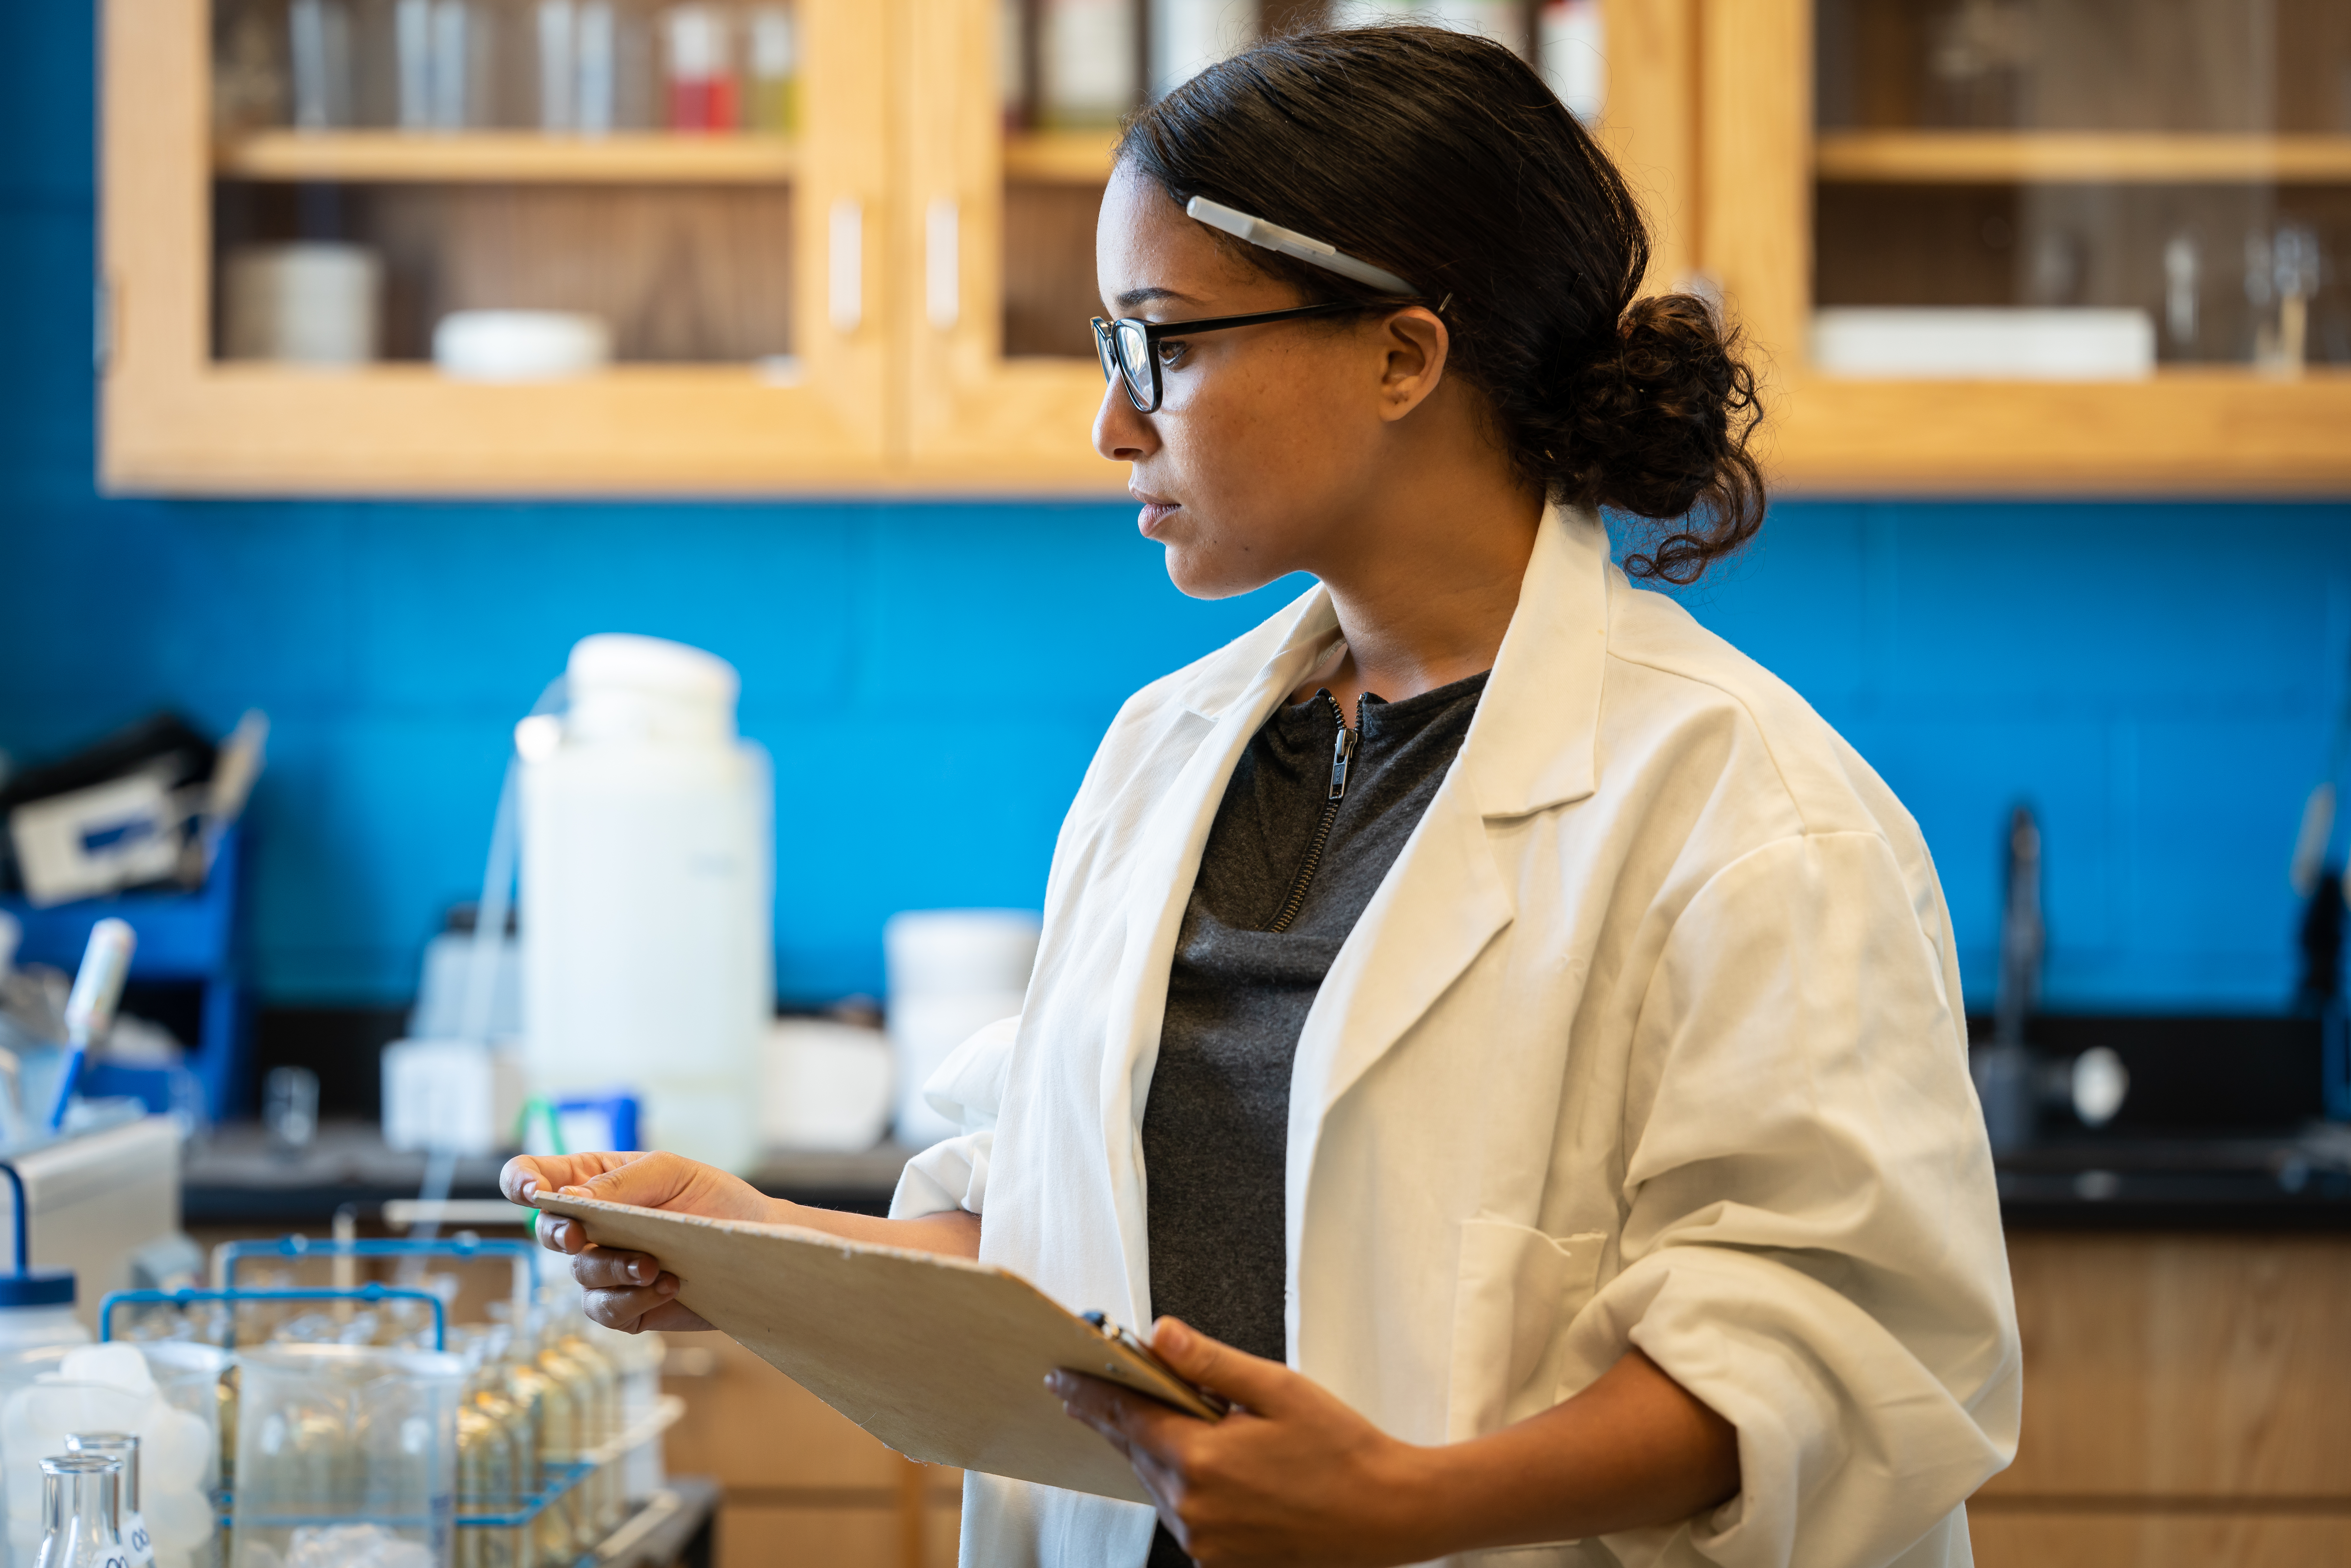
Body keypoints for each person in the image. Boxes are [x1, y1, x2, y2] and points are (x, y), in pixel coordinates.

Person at [503, 24, 2020, 1568]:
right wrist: (744, 1241)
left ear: (1401, 355)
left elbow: (1839, 1347)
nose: (1113, 422)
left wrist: (1403, 1506)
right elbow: (1053, 1232)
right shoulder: (1171, 750)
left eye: (1164, 340)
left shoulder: (1750, 811)